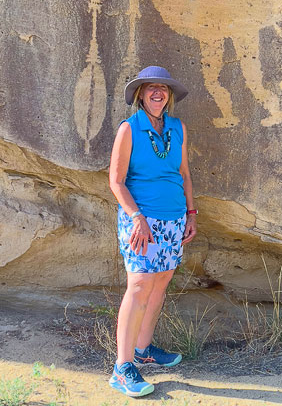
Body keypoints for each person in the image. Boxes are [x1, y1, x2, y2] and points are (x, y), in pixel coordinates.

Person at [108, 65, 197, 397]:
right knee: (139, 285)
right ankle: (122, 368)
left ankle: (143, 349)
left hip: (174, 219)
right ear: (141, 95)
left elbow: (184, 173)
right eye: (151, 87)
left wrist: (191, 213)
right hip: (141, 221)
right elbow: (116, 182)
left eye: (163, 87)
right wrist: (136, 217)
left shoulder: (177, 128)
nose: (157, 92)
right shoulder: (129, 129)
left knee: (160, 282)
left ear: (169, 95)